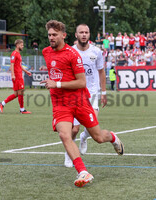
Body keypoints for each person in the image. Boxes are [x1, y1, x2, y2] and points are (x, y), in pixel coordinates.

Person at [40, 20, 124, 188]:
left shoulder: (72, 54)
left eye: (54, 35)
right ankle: (83, 171)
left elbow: (81, 82)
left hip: (80, 101)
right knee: (65, 134)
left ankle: (113, 137)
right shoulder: (46, 52)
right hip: (60, 103)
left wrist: (56, 84)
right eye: (49, 35)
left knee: (98, 137)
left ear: (63, 35)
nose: (51, 38)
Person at [63, 24, 108, 168]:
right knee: (74, 129)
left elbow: (101, 72)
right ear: (75, 35)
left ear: (89, 34)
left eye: (86, 32)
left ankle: (84, 137)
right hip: (75, 94)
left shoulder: (97, 51)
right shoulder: (69, 51)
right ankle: (69, 154)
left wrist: (104, 92)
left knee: (91, 125)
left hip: (92, 93)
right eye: (81, 32)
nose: (83, 34)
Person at [0, 39, 32, 114]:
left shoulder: (18, 54)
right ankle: (22, 110)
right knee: (21, 92)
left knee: (17, 94)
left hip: (19, 75)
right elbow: (12, 65)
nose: (23, 46)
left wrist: (26, 71)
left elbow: (19, 65)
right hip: (17, 76)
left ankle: (2, 103)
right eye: (21, 45)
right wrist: (13, 74)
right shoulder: (14, 54)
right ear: (17, 45)